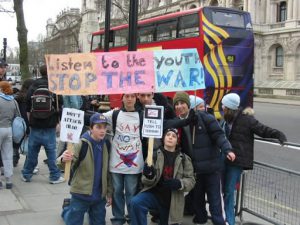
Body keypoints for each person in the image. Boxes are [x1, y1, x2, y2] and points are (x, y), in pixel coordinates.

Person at [220, 93, 287, 225]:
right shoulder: (225, 120)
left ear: (229, 107)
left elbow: (263, 130)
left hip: (236, 161)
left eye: (224, 106)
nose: (222, 108)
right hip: (223, 160)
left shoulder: (246, 120)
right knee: (224, 190)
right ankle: (226, 217)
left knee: (229, 190)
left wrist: (279, 134)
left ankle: (230, 221)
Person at [173, 91, 235, 225]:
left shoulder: (205, 117)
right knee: (198, 202)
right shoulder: (178, 123)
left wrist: (227, 149)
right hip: (194, 171)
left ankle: (220, 223)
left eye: (182, 103)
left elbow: (218, 135)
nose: (179, 106)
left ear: (188, 105)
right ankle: (200, 221)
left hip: (211, 169)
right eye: (176, 104)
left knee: (215, 202)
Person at [130, 128, 195, 225]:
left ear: (177, 141)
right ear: (163, 138)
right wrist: (149, 176)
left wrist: (180, 183)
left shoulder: (184, 159)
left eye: (174, 136)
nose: (170, 137)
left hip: (173, 202)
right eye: (168, 135)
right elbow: (144, 180)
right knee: (136, 202)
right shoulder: (153, 156)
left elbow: (191, 180)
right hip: (154, 196)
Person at [58, 113, 112, 225]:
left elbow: (108, 171)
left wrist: (109, 192)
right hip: (81, 194)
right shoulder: (81, 143)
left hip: (99, 196)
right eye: (98, 127)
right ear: (91, 128)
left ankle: (75, 209)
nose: (102, 130)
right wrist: (64, 159)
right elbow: (65, 164)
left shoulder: (107, 143)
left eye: (104, 127)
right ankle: (66, 210)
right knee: (74, 221)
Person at [21, 65, 65, 184]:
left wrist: (30, 121)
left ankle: (26, 174)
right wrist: (58, 122)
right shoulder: (54, 85)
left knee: (32, 152)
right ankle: (54, 176)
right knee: (51, 152)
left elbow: (28, 104)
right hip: (49, 124)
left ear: (40, 72)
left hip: (35, 124)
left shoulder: (33, 85)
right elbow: (59, 105)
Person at [0, 81, 19, 189]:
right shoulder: (13, 101)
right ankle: (9, 180)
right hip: (9, 129)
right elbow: (17, 117)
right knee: (7, 155)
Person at [13, 79, 34, 167]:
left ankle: (15, 159)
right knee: (29, 145)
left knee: (15, 143)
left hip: (18, 123)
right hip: (28, 122)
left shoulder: (17, 97)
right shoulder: (31, 97)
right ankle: (27, 164)